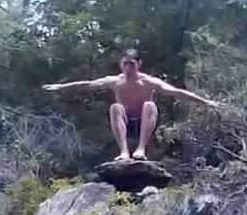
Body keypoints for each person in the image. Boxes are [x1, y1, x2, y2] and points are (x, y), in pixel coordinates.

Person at [42, 48, 220, 162]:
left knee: (149, 105)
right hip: (125, 123)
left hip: (145, 122)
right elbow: (87, 85)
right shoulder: (114, 81)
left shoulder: (149, 82)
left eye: (132, 64)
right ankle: (124, 152)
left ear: (138, 64)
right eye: (125, 63)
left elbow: (177, 92)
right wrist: (60, 87)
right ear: (121, 64)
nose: (128, 67)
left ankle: (141, 149)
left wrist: (206, 102)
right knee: (115, 107)